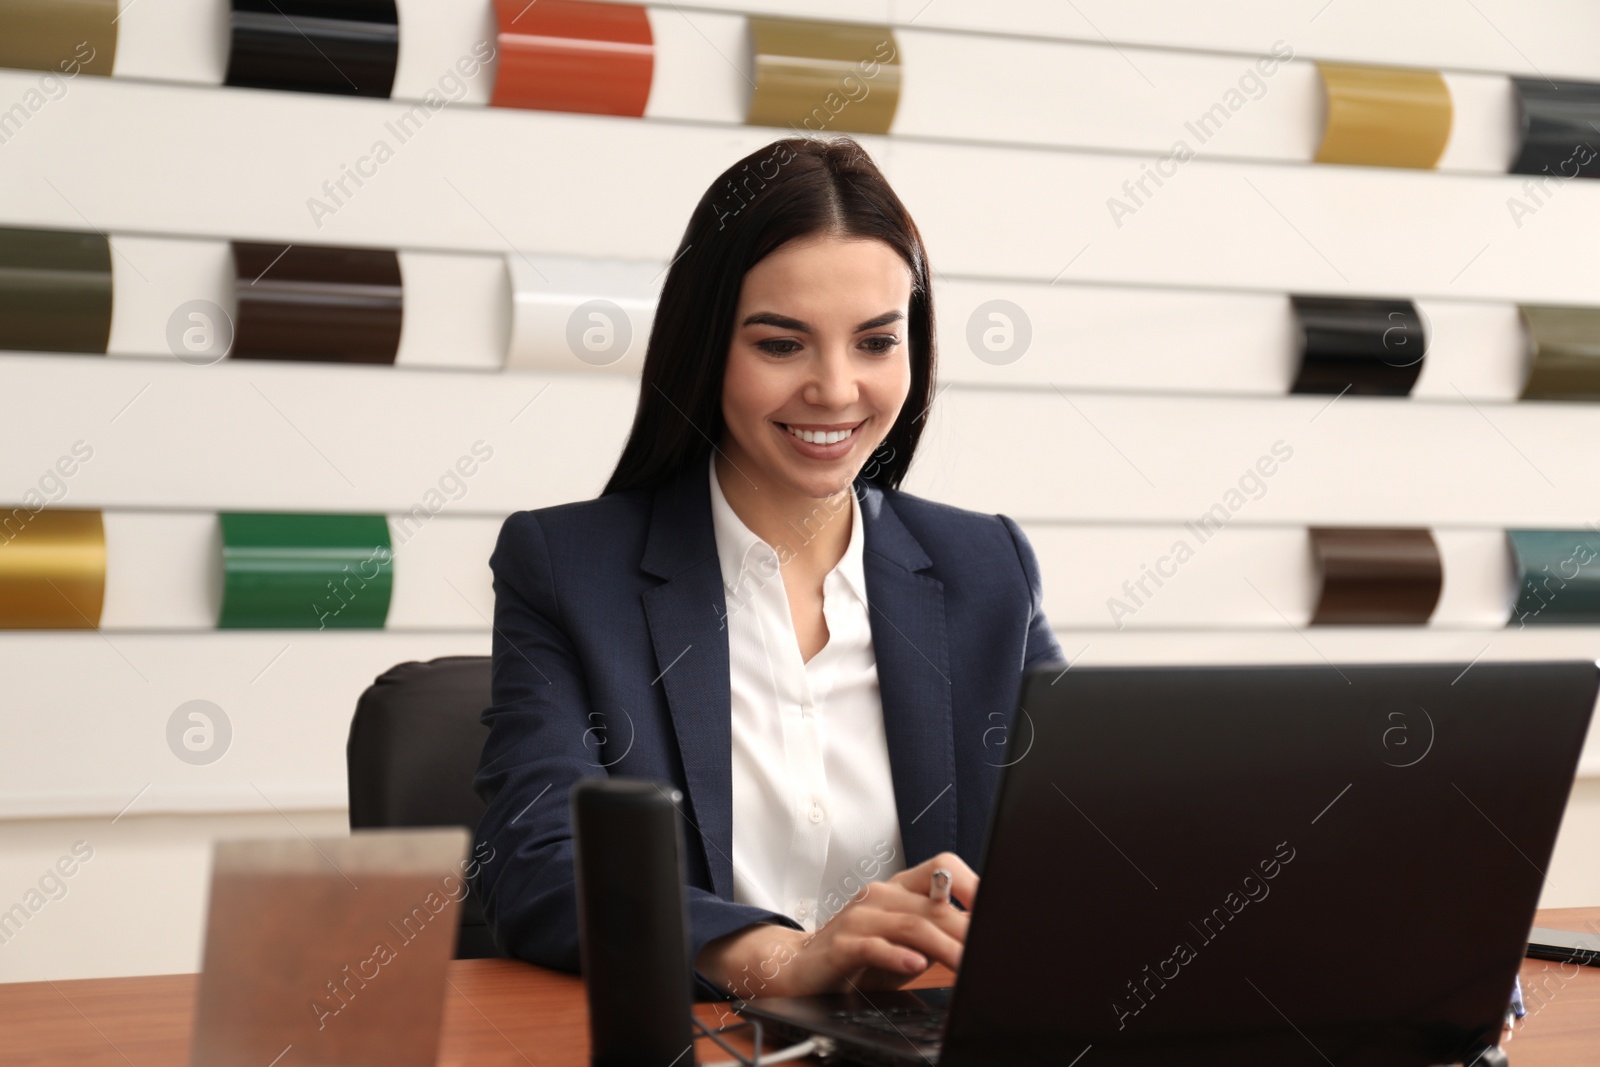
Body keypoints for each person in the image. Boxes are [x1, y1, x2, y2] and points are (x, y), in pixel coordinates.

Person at [471, 135, 1064, 1001]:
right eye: (782, 344)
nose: (834, 389)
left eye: (874, 343)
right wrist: (783, 960)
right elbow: (534, 864)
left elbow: (1082, 841)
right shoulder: (567, 569)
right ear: (707, 346)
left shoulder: (988, 568)